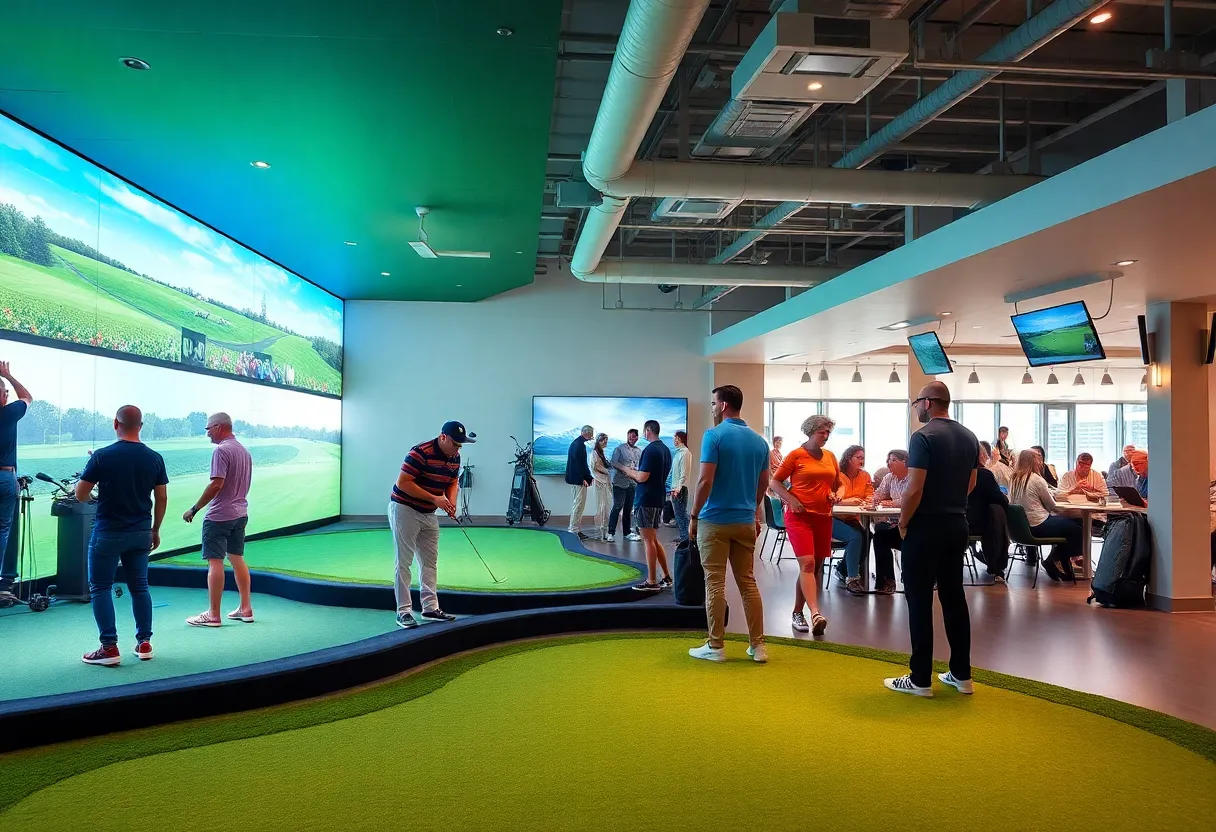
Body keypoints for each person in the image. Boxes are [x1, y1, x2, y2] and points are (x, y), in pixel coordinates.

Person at [884, 382, 977, 698]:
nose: (916, 409)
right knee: (954, 598)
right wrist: (950, 503)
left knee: (920, 600)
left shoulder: (923, 437)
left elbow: (913, 488)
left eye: (916, 404)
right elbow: (972, 482)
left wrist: (904, 521)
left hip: (924, 528)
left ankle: (920, 678)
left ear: (927, 402)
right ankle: (962, 675)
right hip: (956, 525)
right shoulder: (969, 437)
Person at [75, 406, 168, 666]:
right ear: (141, 425)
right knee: (140, 587)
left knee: (100, 587)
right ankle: (144, 643)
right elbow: (161, 498)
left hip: (108, 532)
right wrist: (155, 529)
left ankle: (109, 648)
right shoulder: (155, 458)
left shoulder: (102, 457)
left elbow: (80, 494)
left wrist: (96, 488)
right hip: (140, 533)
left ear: (116, 424)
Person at [688, 385, 770, 664]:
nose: (711, 408)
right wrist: (753, 511)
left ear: (723, 406)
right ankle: (758, 647)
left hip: (714, 521)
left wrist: (694, 515)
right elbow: (763, 483)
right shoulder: (760, 442)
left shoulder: (713, 436)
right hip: (745, 521)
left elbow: (704, 480)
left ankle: (716, 646)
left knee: (714, 584)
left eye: (713, 403)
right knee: (748, 582)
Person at [387, 421, 473, 629]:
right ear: (442, 437)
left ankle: (430, 608)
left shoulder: (455, 456)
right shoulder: (419, 453)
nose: (458, 448)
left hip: (428, 513)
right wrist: (435, 499)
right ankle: (404, 611)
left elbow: (453, 481)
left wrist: (451, 503)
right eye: (455, 443)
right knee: (404, 562)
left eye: (461, 444)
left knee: (430, 562)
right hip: (404, 509)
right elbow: (403, 483)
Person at [770, 415, 839, 636]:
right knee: (807, 563)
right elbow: (775, 481)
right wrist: (791, 499)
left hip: (823, 516)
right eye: (822, 432)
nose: (826, 436)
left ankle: (797, 611)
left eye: (829, 432)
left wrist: (837, 494)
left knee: (813, 567)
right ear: (811, 431)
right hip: (799, 516)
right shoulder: (796, 455)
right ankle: (816, 613)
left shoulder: (830, 456)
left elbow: (840, 484)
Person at [183, 413, 255, 627]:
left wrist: (194, 509)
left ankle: (213, 615)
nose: (207, 433)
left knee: (215, 562)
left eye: (208, 429)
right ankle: (246, 608)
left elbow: (216, 485)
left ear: (218, 427)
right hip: (240, 514)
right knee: (237, 558)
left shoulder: (221, 451)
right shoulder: (244, 451)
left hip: (219, 516)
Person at [1008, 449, 1083, 582]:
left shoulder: (1014, 479)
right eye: (1038, 458)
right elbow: (1052, 506)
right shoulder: (1036, 479)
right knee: (1077, 529)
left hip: (1020, 528)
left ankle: (1060, 565)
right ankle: (1053, 560)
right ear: (1033, 461)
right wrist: (1065, 511)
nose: (1041, 462)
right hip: (1038, 525)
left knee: (1069, 527)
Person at [620, 420, 673, 591]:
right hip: (658, 499)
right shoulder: (665, 449)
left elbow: (642, 477)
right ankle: (666, 576)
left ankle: (652, 581)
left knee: (648, 540)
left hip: (646, 499)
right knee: (654, 540)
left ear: (648, 430)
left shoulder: (650, 450)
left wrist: (628, 471)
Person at [0, 361, 32, 603]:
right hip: (4, 477)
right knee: (2, 529)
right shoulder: (9, 413)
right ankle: (4, 584)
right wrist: (7, 375)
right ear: (4, 396)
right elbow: (27, 396)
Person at [831, 444, 873, 597]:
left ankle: (842, 569)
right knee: (856, 537)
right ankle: (852, 579)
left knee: (867, 537)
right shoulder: (837, 476)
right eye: (858, 457)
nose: (862, 460)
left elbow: (869, 494)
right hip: (833, 518)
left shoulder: (865, 476)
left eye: (863, 458)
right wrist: (848, 501)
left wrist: (868, 500)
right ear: (849, 458)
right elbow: (831, 498)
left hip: (852, 517)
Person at [869, 450, 911, 595]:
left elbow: (911, 499)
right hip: (895, 524)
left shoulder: (914, 477)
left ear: (904, 461)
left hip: (913, 526)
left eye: (892, 460)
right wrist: (876, 498)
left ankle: (911, 579)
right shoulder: (889, 477)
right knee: (880, 538)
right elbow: (879, 493)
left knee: (885, 534)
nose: (888, 463)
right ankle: (886, 581)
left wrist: (892, 503)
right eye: (888, 460)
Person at [969, 441, 1010, 580]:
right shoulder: (984, 475)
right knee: (996, 511)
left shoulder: (954, 474)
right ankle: (995, 563)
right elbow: (999, 499)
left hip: (956, 522)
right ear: (980, 455)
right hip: (978, 524)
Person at [608, 429, 642, 542]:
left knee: (628, 509)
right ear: (628, 436)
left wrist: (635, 472)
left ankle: (627, 532)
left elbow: (640, 466)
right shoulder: (620, 448)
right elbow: (614, 463)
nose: (634, 438)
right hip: (619, 483)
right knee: (617, 506)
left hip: (632, 483)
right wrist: (626, 469)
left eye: (636, 436)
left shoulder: (639, 451)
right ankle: (610, 533)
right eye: (632, 436)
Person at [564, 425, 594, 540]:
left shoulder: (576, 443)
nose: (592, 437)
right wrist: (584, 478)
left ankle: (575, 529)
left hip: (576, 479)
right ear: (587, 433)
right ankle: (573, 530)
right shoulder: (579, 445)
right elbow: (579, 464)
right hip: (578, 481)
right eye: (591, 434)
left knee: (577, 504)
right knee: (578, 505)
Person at [669, 430, 692, 547]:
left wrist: (678, 487)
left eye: (676, 437)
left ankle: (687, 538)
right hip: (675, 488)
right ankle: (684, 536)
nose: (674, 440)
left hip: (680, 488)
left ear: (681, 439)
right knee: (678, 514)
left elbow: (684, 472)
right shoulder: (678, 453)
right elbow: (673, 472)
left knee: (681, 513)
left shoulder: (685, 453)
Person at [590, 432, 612, 541]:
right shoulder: (595, 453)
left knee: (605, 505)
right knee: (603, 505)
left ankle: (604, 528)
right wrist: (607, 471)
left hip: (604, 482)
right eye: (604, 440)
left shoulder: (601, 453)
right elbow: (595, 466)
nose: (605, 443)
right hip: (600, 482)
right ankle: (603, 529)